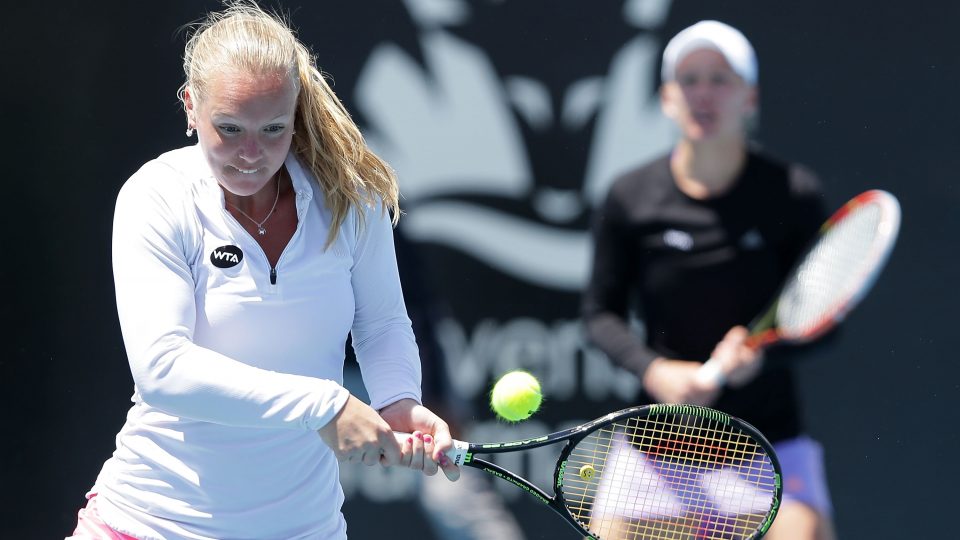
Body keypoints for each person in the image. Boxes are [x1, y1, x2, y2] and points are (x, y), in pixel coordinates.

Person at [67, 2, 458, 538]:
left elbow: (382, 323)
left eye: (273, 129)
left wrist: (398, 399)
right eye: (229, 129)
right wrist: (324, 404)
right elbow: (162, 370)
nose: (251, 154)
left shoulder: (352, 201)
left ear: (296, 113)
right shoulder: (155, 196)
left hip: (304, 528)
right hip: (150, 522)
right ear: (190, 107)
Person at [582, 20, 835, 540]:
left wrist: (765, 352)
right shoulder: (630, 196)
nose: (703, 94)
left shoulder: (794, 195)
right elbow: (599, 314)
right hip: (655, 449)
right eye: (688, 79)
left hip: (769, 443)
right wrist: (656, 371)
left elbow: (825, 320)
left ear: (749, 96)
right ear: (667, 98)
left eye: (720, 79)